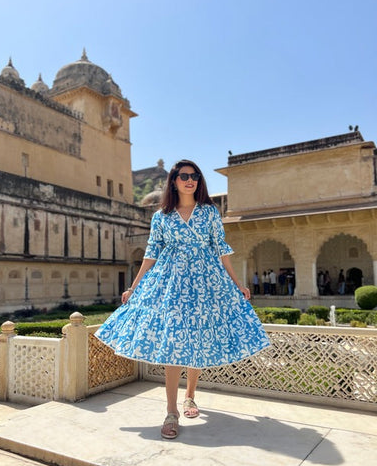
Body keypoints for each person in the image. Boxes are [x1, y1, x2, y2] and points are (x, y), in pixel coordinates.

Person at [95, 160, 270, 439]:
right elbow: (151, 253)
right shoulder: (161, 217)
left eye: (195, 176)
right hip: (171, 282)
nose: (190, 180)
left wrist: (237, 283)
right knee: (174, 342)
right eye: (184, 176)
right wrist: (134, 285)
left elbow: (221, 249)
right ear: (174, 181)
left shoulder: (209, 212)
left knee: (197, 337)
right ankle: (171, 411)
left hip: (205, 282)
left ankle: (190, 396)